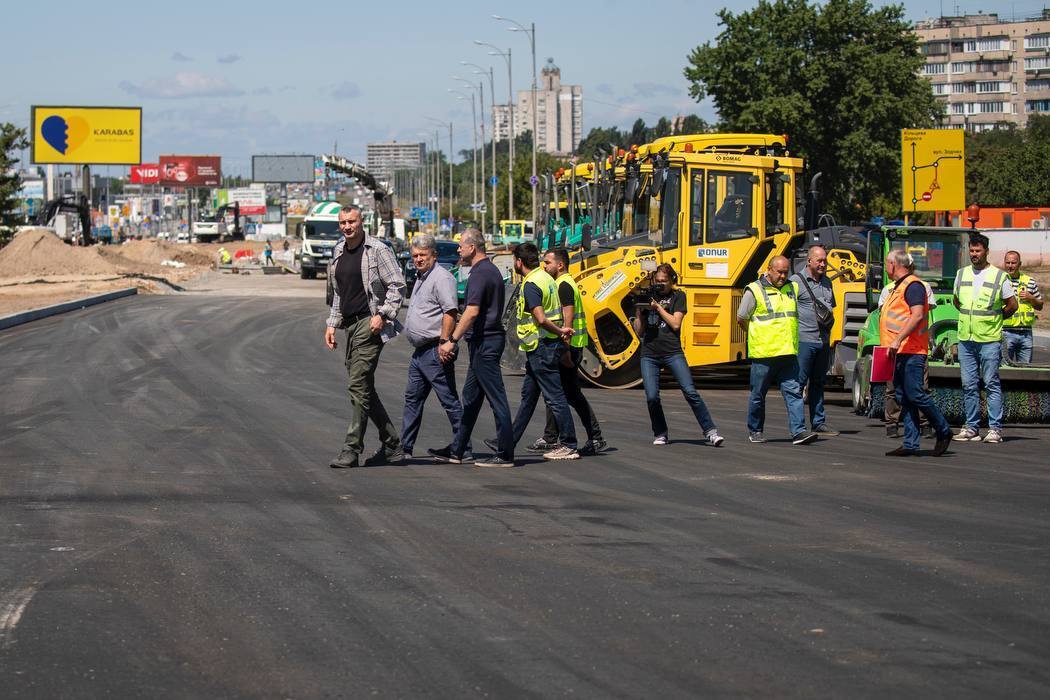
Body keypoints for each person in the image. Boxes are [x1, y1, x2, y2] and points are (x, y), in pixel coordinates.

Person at [324, 204, 407, 468]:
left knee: (357, 386)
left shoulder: (378, 250)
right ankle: (393, 444)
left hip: (369, 325)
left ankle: (352, 448)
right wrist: (331, 324)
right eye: (343, 223)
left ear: (362, 222)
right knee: (364, 388)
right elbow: (339, 292)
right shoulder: (338, 250)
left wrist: (383, 315)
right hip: (349, 325)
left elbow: (398, 284)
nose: (347, 227)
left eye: (352, 221)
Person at [432, 230, 516, 468]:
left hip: (485, 342)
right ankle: (457, 450)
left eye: (460, 246)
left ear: (472, 248)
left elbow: (472, 311)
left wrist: (452, 339)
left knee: (496, 398)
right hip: (483, 342)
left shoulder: (480, 273)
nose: (458, 250)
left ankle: (505, 454)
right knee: (470, 399)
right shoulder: (488, 270)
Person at [521, 248, 606, 455]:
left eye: (548, 262)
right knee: (558, 393)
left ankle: (594, 437)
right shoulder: (561, 283)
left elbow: (567, 321)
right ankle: (553, 437)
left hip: (569, 347)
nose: (544, 266)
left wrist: (565, 349)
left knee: (568, 395)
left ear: (560, 264)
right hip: (568, 346)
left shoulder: (564, 285)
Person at [502, 242, 581, 461]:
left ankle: (568, 444)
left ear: (519, 262)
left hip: (541, 347)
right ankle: (509, 440)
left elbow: (541, 318)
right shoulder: (546, 278)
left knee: (555, 397)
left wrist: (561, 331)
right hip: (543, 346)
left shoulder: (532, 284)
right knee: (528, 397)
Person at [633, 263, 724, 447]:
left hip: (672, 351)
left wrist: (658, 308)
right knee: (652, 396)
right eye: (657, 281)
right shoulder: (649, 296)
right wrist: (639, 309)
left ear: (672, 281)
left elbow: (675, 324)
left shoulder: (678, 296)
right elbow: (639, 332)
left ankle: (711, 432)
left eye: (664, 282)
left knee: (690, 391)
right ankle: (660, 433)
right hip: (649, 353)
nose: (660, 285)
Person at [399, 234, 469, 460]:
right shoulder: (421, 276)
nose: (418, 259)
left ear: (434, 256)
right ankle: (405, 448)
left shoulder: (442, 278)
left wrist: (444, 343)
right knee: (412, 399)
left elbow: (450, 312)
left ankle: (463, 448)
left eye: (423, 256)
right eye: (415, 256)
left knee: (448, 400)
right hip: (420, 353)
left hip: (435, 350)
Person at [880, 249, 953, 457]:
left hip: (911, 351)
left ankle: (943, 429)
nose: (886, 267)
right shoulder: (897, 287)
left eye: (887, 263)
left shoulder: (912, 286)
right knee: (905, 396)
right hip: (898, 352)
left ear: (894, 265)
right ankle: (910, 443)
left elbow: (917, 315)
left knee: (915, 394)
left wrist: (898, 339)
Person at [737, 256, 816, 445]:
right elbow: (741, 317)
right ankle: (755, 430)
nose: (783, 275)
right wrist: (756, 334)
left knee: (794, 393)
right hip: (764, 354)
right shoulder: (754, 289)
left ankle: (799, 432)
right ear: (769, 269)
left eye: (785, 272)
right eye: (779, 272)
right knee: (758, 395)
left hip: (788, 353)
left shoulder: (792, 288)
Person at [952, 233, 1018, 444]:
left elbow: (1012, 305)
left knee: (990, 383)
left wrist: (996, 319)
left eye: (978, 251)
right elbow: (957, 302)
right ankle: (971, 427)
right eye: (972, 251)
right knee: (969, 385)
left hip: (989, 339)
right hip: (966, 338)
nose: (974, 254)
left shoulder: (999, 277)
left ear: (986, 251)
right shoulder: (961, 274)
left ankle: (995, 429)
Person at [878, 262, 937, 439]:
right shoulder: (889, 289)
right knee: (893, 389)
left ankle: (928, 424)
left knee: (919, 388)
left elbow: (921, 314)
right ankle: (893, 424)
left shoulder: (920, 287)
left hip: (913, 346)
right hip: (893, 347)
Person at [789, 245, 838, 436]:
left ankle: (818, 422)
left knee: (818, 382)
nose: (823, 264)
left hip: (823, 341)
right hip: (804, 340)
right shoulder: (795, 282)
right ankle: (798, 427)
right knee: (798, 384)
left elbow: (830, 308)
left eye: (825, 260)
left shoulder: (827, 282)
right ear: (809, 261)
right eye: (819, 260)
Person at [1002, 250, 1043, 364]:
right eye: (1008, 262)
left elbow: (1040, 306)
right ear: (1004, 263)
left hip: (1026, 334)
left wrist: (1031, 298)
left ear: (1020, 264)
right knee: (1004, 369)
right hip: (1005, 333)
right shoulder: (1000, 281)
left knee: (1025, 371)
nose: (1010, 266)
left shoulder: (1029, 281)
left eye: (1013, 263)